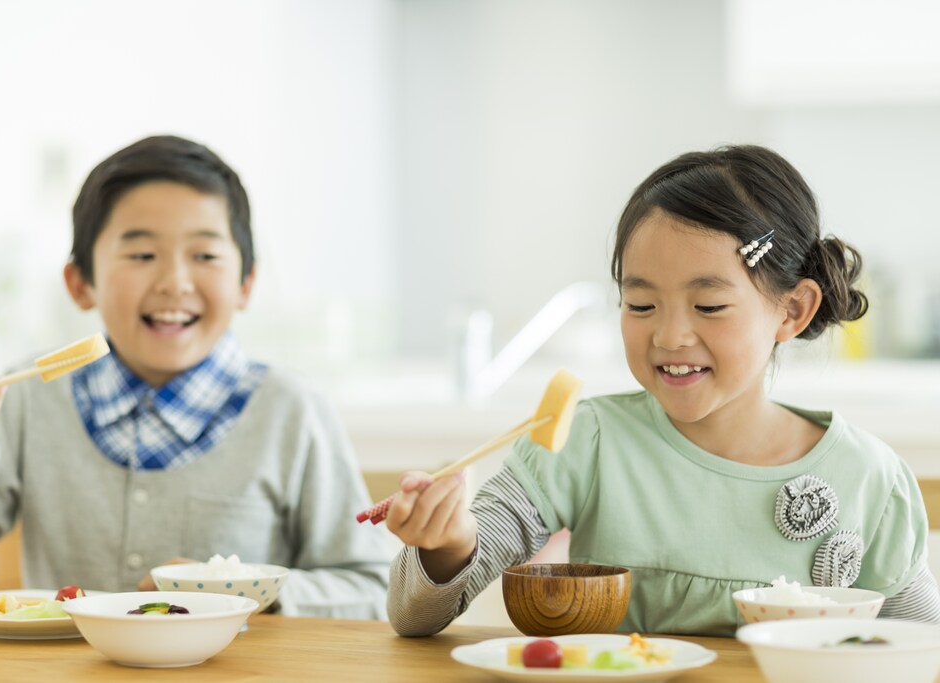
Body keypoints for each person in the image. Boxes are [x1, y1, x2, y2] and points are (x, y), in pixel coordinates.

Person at [384, 144, 940, 636]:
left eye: (709, 307)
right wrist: (448, 542)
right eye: (641, 305)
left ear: (792, 310)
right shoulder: (587, 440)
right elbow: (415, 618)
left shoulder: (870, 479)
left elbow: (925, 651)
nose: (670, 336)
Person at [0, 135, 392, 619]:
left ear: (246, 284)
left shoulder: (292, 409)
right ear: (80, 284)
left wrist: (255, 593)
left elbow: (375, 587)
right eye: (142, 255)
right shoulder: (29, 396)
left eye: (205, 256)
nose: (174, 282)